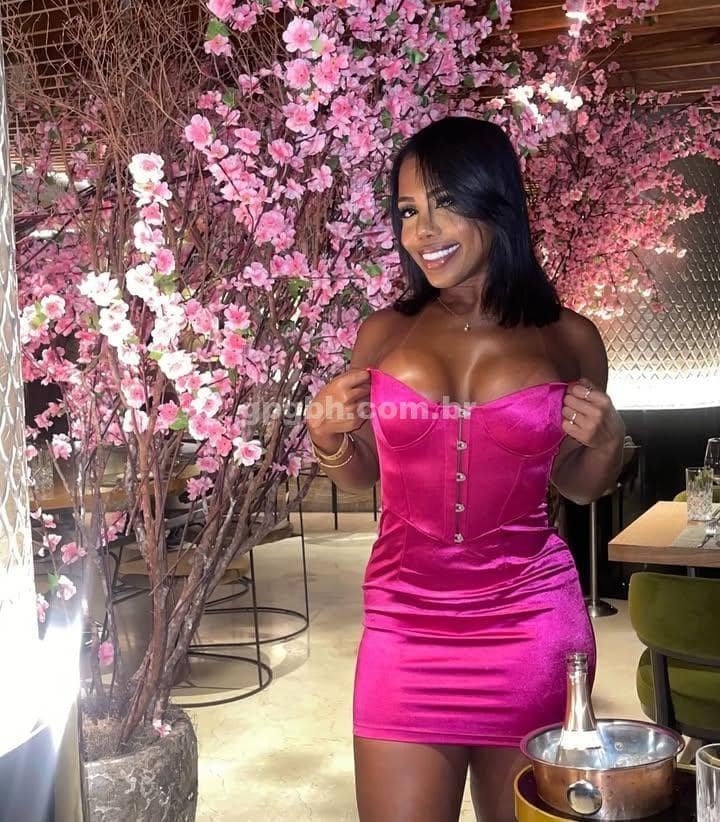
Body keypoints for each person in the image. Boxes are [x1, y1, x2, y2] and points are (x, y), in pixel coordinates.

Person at [305, 116, 626, 822]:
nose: (422, 231)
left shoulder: (568, 337)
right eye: (407, 210)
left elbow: (578, 486)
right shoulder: (383, 332)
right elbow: (362, 476)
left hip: (531, 623)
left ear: (496, 201)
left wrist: (606, 445)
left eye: (446, 202)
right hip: (404, 624)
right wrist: (328, 440)